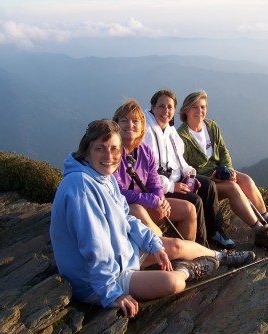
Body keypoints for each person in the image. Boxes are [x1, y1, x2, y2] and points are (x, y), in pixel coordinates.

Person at [50, 119, 254, 318]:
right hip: (95, 279)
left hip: (120, 253)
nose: (109, 155)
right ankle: (187, 270)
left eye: (114, 149)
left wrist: (153, 245)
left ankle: (221, 257)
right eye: (100, 149)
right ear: (86, 151)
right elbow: (94, 247)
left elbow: (126, 218)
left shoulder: (104, 177)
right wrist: (112, 294)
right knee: (174, 283)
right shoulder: (81, 186)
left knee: (174, 246)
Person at [177, 90, 268, 253]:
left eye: (202, 107)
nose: (199, 111)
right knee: (233, 188)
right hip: (204, 183)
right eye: (195, 107)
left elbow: (223, 151)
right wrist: (211, 177)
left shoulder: (211, 126)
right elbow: (184, 167)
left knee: (247, 180)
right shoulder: (182, 136)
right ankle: (259, 232)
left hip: (220, 173)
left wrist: (229, 169)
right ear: (186, 109)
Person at [143, 89, 236, 249]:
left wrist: (189, 171)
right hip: (160, 187)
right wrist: (172, 186)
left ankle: (215, 231)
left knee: (208, 186)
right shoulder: (147, 133)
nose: (166, 111)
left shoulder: (169, 130)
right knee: (196, 201)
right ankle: (200, 246)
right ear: (152, 107)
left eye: (170, 107)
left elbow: (179, 158)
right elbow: (146, 173)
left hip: (176, 178)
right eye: (161, 106)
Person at [113, 98, 204, 244]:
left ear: (142, 126)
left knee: (189, 209)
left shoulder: (145, 151)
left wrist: (161, 201)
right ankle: (168, 252)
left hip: (144, 203)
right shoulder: (112, 152)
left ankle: (185, 256)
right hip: (123, 208)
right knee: (153, 228)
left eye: (135, 121)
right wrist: (153, 201)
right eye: (124, 121)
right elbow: (118, 192)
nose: (130, 125)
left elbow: (154, 183)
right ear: (116, 125)